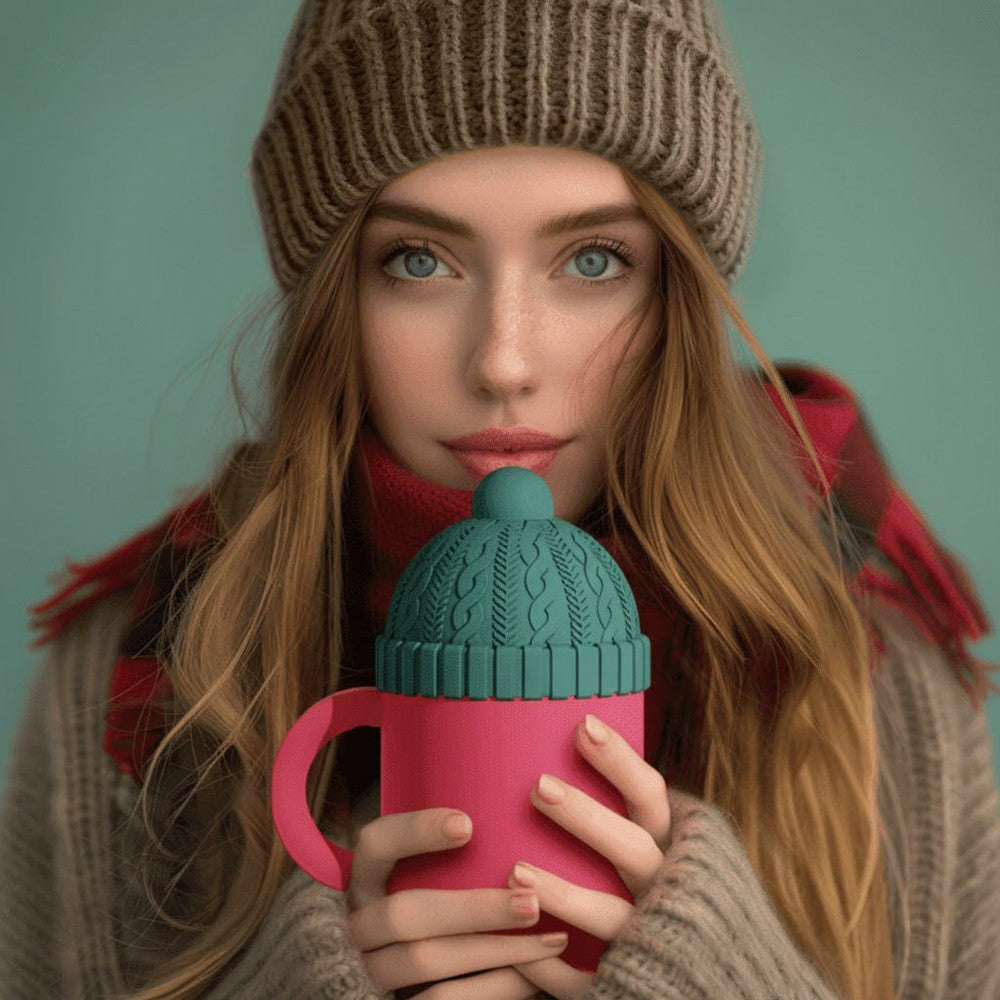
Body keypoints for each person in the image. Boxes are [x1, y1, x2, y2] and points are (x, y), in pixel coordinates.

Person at [2, 1, 998, 998]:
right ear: (335, 297)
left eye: (594, 260)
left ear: (677, 299)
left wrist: (717, 973)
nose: (503, 362)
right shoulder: (138, 700)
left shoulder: (875, 691)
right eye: (418, 261)